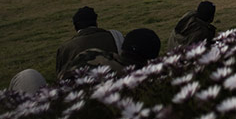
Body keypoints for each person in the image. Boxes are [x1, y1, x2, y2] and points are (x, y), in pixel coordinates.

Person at [10, 28, 161, 94]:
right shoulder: (150, 85)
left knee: (27, 75)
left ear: (122, 49)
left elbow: (62, 78)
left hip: (60, 113)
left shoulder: (92, 55)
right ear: (151, 61)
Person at [55, 6, 121, 77]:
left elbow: (60, 75)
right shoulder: (115, 36)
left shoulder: (65, 48)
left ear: (75, 26)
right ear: (95, 22)